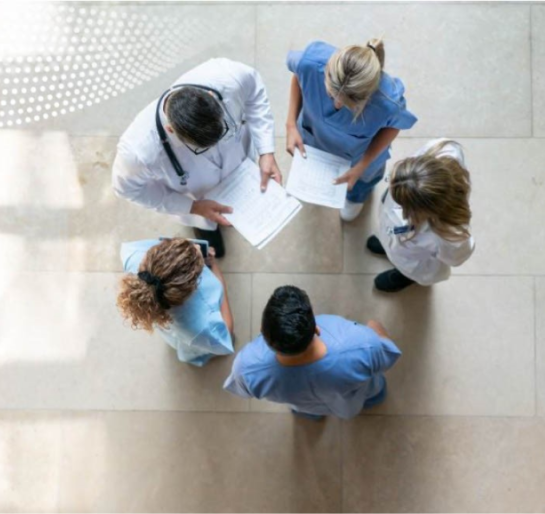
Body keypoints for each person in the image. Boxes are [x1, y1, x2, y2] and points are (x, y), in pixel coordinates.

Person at [112, 58, 280, 258]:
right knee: (207, 229)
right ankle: (208, 231)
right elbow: (127, 189)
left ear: (212, 97)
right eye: (201, 148)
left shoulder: (226, 76)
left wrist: (266, 150)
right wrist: (192, 207)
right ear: (170, 129)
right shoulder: (138, 151)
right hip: (198, 199)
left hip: (241, 169)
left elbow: (255, 92)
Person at [285, 39, 417, 222]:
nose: (337, 104)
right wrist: (291, 124)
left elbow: (395, 125)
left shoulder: (388, 103)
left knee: (362, 182)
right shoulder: (310, 62)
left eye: (347, 104)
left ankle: (355, 198)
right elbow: (299, 76)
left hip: (360, 158)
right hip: (314, 139)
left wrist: (362, 165)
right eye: (331, 95)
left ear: (369, 97)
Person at [223, 285, 401, 419]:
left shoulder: (246, 368)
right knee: (372, 394)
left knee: (307, 411)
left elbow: (240, 389)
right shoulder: (363, 345)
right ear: (316, 329)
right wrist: (376, 329)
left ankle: (313, 416)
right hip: (349, 402)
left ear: (262, 331)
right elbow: (388, 356)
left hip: (305, 405)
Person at [367, 138, 475, 292]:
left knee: (406, 264)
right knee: (390, 236)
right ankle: (387, 245)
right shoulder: (442, 150)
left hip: (413, 260)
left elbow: (454, 258)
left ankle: (405, 276)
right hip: (395, 230)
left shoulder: (452, 236)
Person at [117, 238, 234, 366]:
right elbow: (226, 331)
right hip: (192, 338)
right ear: (192, 288)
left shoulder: (133, 255)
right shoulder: (201, 325)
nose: (197, 246)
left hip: (171, 330)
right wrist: (216, 272)